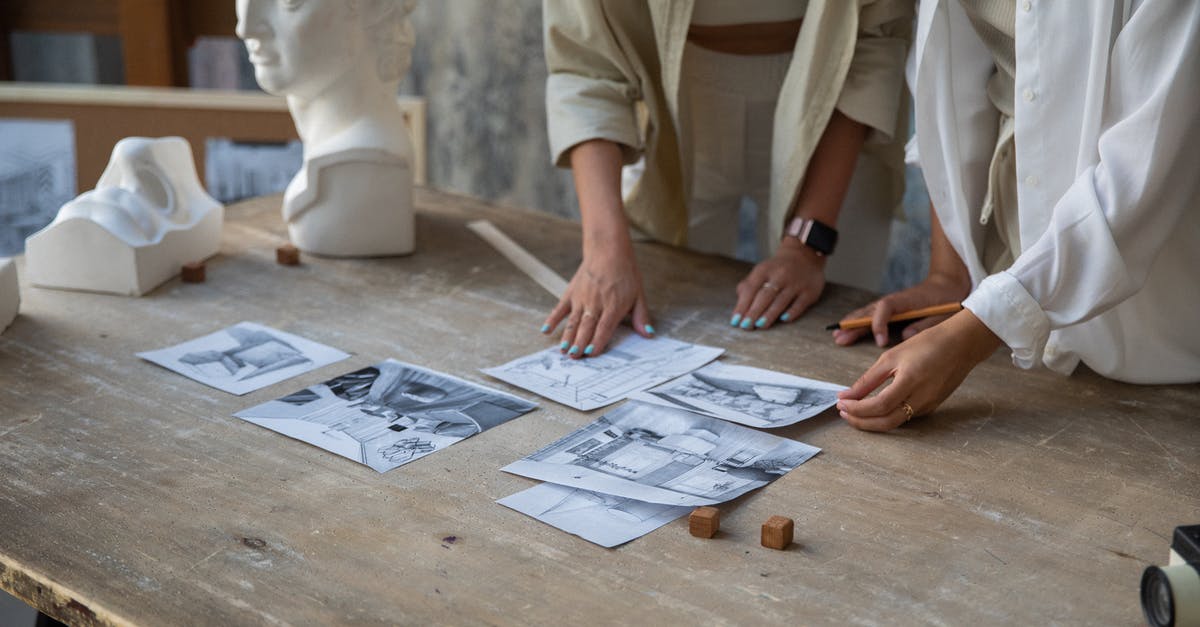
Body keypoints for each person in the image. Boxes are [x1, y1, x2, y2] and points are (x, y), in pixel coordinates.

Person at [834, 0, 1200, 431]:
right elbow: (948, 81)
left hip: (1150, 303)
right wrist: (949, 275)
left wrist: (972, 334)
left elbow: (1140, 172)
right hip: (1006, 252)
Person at [540, 0, 913, 358]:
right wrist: (603, 250)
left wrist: (808, 244)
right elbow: (586, 63)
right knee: (639, 324)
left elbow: (874, 38)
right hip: (667, 105)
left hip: (836, 114)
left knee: (833, 330)